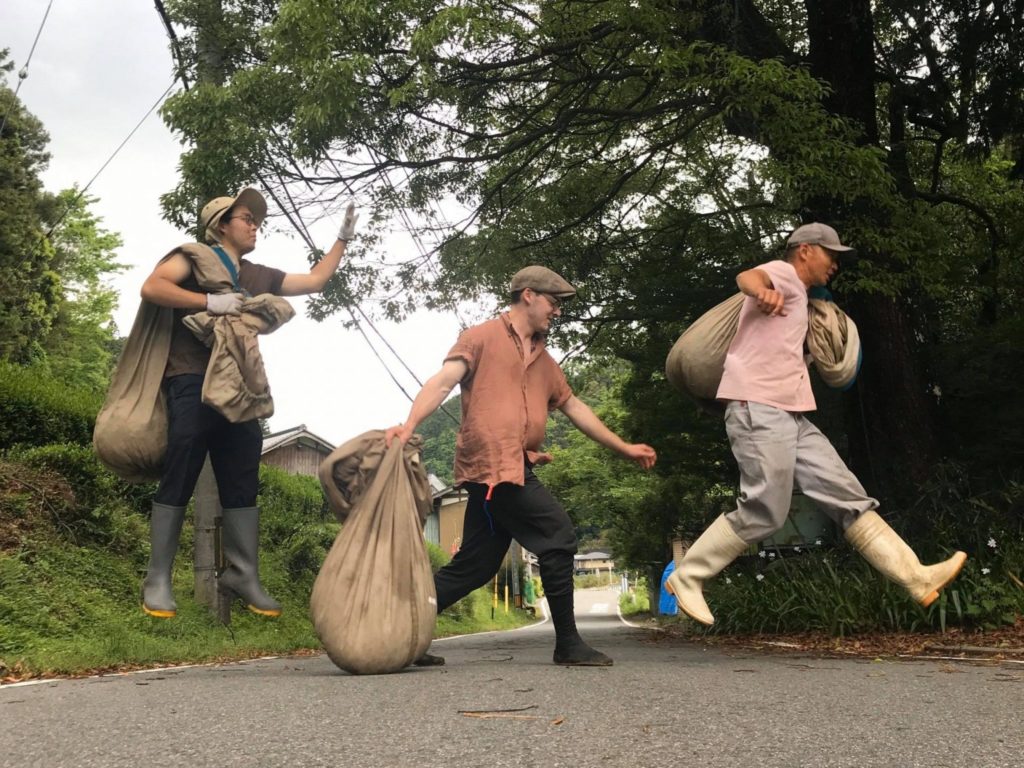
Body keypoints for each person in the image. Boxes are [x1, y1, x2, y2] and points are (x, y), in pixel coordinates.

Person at [666, 222, 967, 625]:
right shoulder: (784, 274)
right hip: (758, 407)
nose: (836, 264)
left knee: (847, 496)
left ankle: (915, 577)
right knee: (766, 509)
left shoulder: (804, 301)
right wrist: (762, 291)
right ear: (805, 250)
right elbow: (748, 277)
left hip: (790, 414)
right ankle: (688, 575)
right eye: (831, 254)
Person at [385, 266, 657, 666]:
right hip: (493, 469)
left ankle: (396, 636)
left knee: (475, 566)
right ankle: (568, 644)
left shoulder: (545, 362)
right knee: (558, 534)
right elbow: (443, 382)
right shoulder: (480, 338)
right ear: (528, 295)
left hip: (514, 466)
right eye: (554, 302)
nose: (557, 311)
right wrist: (410, 425)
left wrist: (624, 447)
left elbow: (574, 407)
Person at [139, 188, 358, 619]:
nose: (255, 225)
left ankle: (242, 572)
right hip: (192, 378)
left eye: (257, 220)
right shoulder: (193, 257)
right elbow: (153, 287)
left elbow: (315, 281)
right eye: (246, 218)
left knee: (242, 472)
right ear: (221, 225)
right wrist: (208, 301)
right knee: (181, 466)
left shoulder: (259, 275)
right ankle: (158, 577)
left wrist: (343, 238)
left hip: (240, 388)